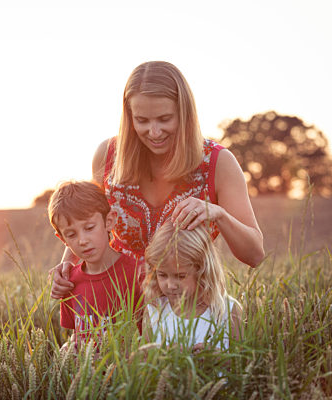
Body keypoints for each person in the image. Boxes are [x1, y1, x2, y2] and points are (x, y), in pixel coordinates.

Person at [51, 61, 264, 299]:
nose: (154, 132)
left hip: (187, 310)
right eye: (142, 120)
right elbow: (86, 219)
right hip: (118, 306)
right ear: (129, 116)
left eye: (164, 119)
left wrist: (218, 214)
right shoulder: (108, 156)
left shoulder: (218, 163)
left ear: (185, 114)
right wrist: (67, 264)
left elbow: (254, 255)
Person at [48, 180, 143, 349]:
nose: (83, 241)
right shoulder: (70, 283)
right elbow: (77, 338)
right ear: (62, 239)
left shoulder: (136, 274)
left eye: (89, 228)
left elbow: (147, 335)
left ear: (109, 221)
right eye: (71, 234)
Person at [142, 219, 242, 350]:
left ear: (202, 271)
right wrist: (164, 355)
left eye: (180, 276)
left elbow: (241, 363)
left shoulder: (227, 310)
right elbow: (144, 362)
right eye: (162, 275)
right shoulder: (155, 312)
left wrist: (219, 358)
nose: (171, 285)